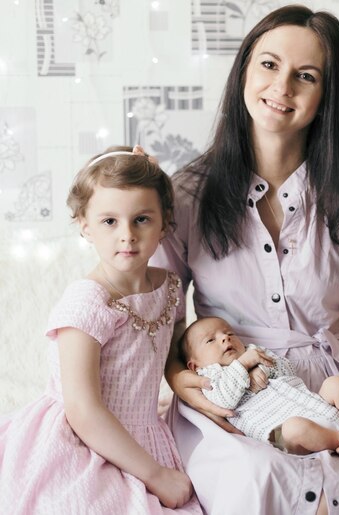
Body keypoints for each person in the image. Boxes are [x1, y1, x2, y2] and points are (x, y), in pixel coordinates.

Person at [151, 5, 339, 514]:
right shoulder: (185, 198)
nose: (282, 86)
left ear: (325, 97)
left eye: (305, 76)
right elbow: (163, 327)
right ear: (245, 69)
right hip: (229, 391)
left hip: (332, 389)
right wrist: (182, 382)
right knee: (255, 474)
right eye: (268, 65)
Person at [0, 146, 202, 514]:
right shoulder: (88, 303)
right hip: (82, 435)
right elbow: (83, 408)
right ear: (84, 225)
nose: (127, 235)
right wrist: (155, 475)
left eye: (141, 219)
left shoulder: (170, 287)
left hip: (143, 428)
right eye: (110, 221)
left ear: (165, 222)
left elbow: (173, 350)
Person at [181, 316, 339, 456]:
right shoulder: (207, 379)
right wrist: (242, 366)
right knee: (295, 427)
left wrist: (262, 368)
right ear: (195, 366)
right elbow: (224, 400)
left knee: (335, 384)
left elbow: (289, 371)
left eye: (229, 333)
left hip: (313, 405)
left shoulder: (254, 352)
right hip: (279, 436)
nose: (225, 338)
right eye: (211, 340)